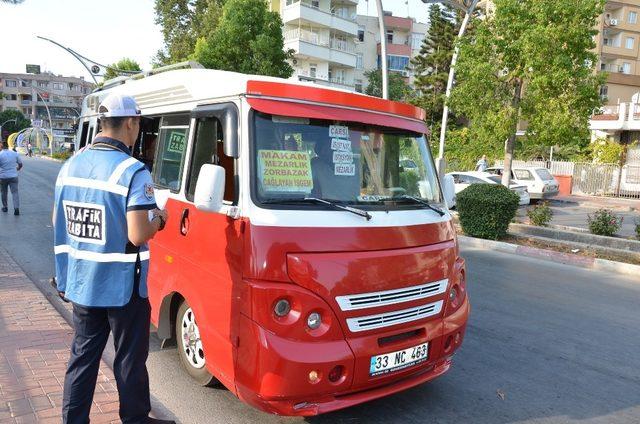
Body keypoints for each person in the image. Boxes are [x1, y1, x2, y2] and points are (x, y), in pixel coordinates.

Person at [53, 93, 173, 424]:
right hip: (123, 288)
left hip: (82, 284)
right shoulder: (133, 171)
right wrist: (160, 218)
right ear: (132, 124)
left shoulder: (71, 164)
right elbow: (137, 234)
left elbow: (58, 221)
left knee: (83, 358)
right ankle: (135, 419)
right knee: (129, 359)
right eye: (138, 124)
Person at [0, 140, 23, 215]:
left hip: (3, 177)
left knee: (4, 192)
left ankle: (5, 207)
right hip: (14, 176)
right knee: (15, 193)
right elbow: (20, 164)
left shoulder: (0, 154)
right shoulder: (14, 153)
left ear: (2, 146)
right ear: (8, 145)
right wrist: (18, 168)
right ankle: (16, 208)